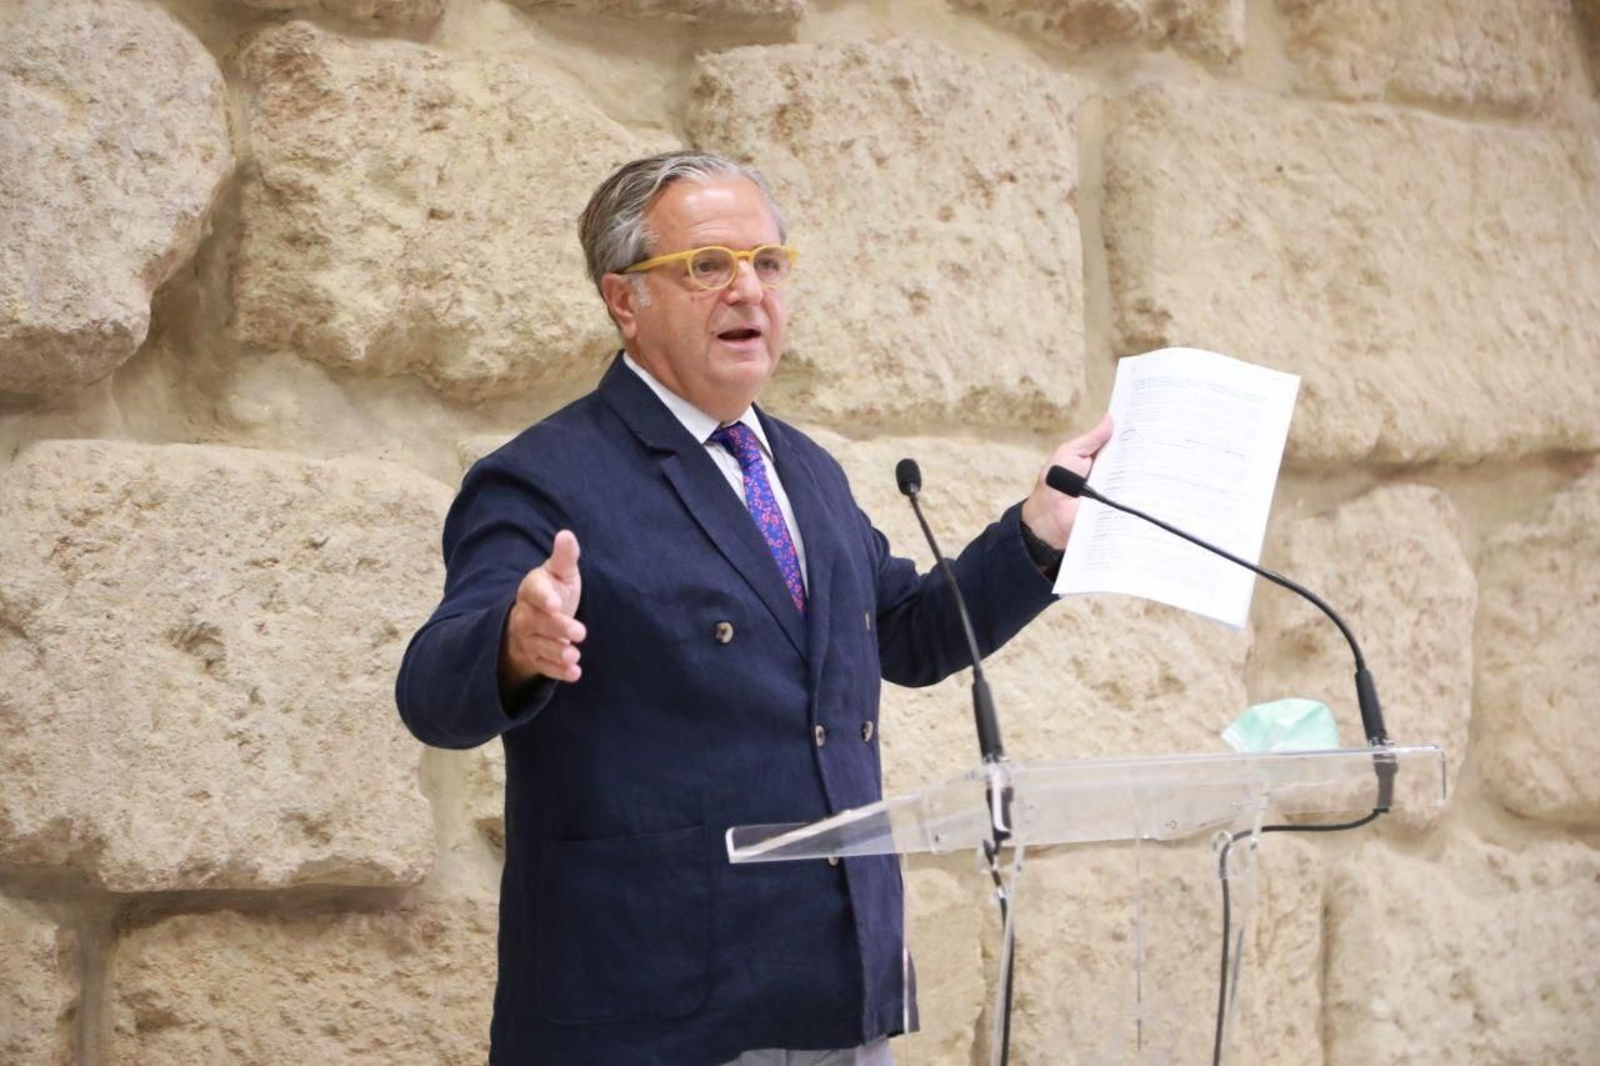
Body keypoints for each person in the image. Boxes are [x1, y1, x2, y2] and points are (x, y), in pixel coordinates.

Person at [395, 150, 1112, 1065]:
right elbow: (431, 688)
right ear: (624, 301)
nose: (748, 292)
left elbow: (909, 634)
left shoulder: (803, 469)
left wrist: (1040, 532)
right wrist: (513, 641)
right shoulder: (545, 477)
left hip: (832, 988)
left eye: (767, 263)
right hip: (652, 1007)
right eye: (706, 267)